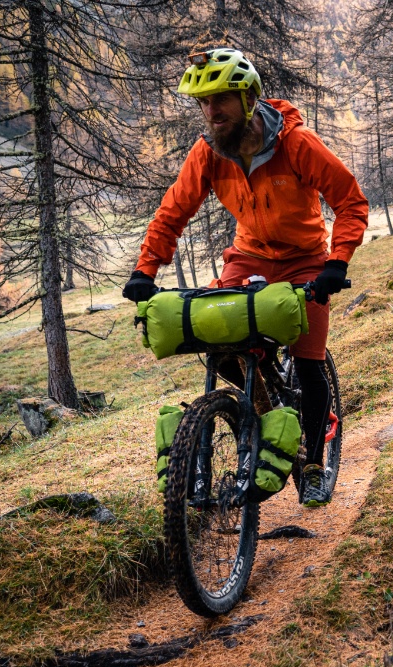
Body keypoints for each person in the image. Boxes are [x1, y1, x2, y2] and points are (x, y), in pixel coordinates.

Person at [122, 48, 369, 507]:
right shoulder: (209, 153)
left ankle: (313, 463)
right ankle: (267, 406)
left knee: (310, 360)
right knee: (222, 342)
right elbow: (172, 213)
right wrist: (144, 270)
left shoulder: (297, 145)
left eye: (220, 100)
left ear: (249, 97)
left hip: (306, 260)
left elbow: (350, 200)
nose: (211, 112)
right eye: (203, 103)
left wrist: (337, 262)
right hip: (249, 257)